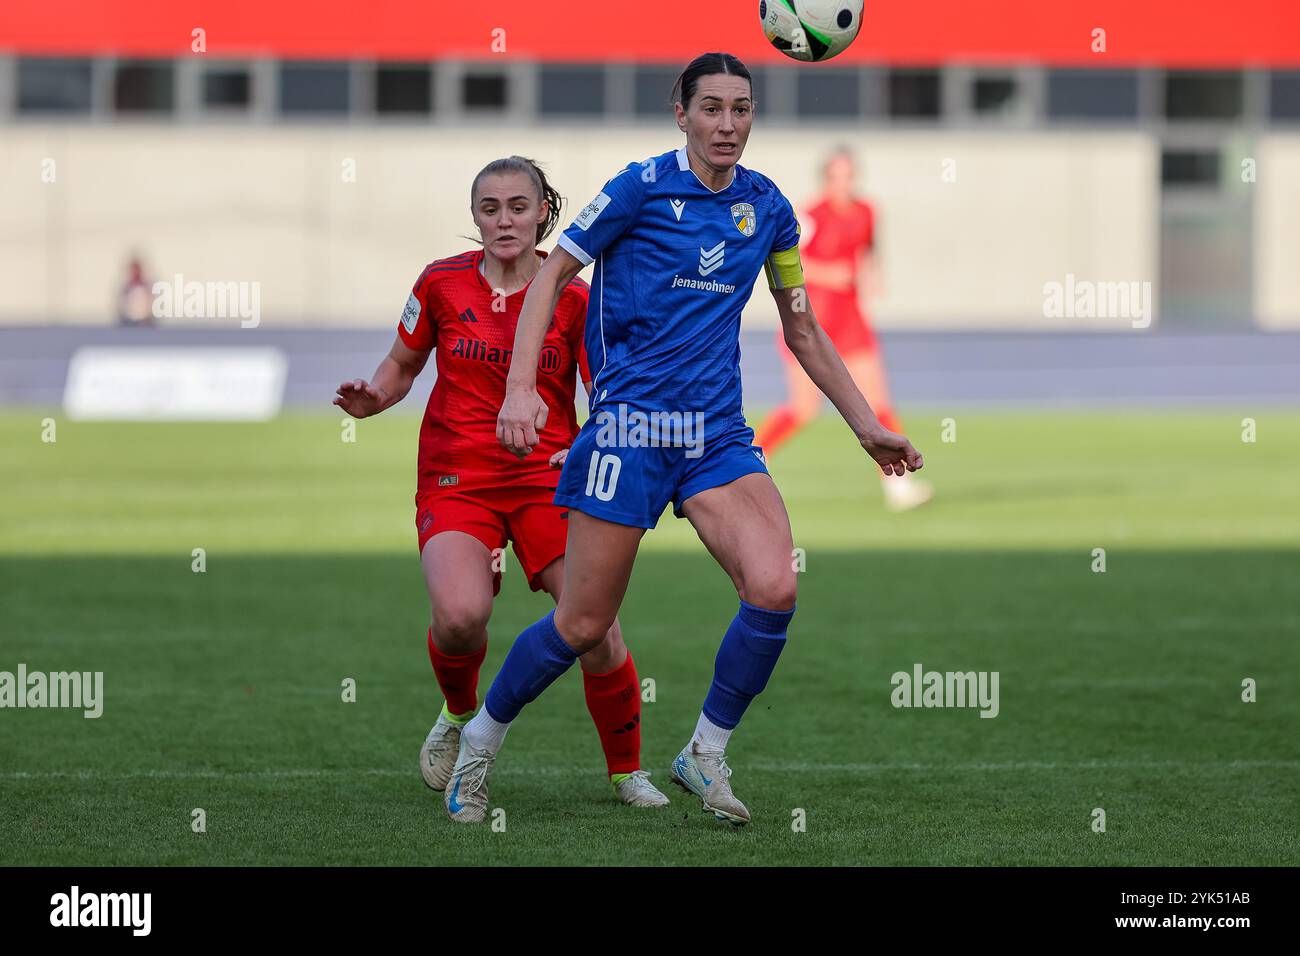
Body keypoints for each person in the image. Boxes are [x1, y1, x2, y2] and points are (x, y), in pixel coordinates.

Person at [443, 54, 923, 826]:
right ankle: (479, 741)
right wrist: (524, 386)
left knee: (775, 587)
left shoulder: (767, 208)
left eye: (741, 108)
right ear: (681, 113)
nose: (727, 124)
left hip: (715, 437)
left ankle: (704, 753)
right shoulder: (637, 187)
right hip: (630, 430)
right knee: (582, 624)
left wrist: (866, 425)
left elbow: (801, 324)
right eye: (711, 108)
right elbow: (550, 275)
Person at [334, 156, 668, 810]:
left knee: (596, 630)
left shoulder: (573, 293)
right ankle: (458, 717)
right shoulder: (440, 284)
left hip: (549, 481)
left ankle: (627, 772)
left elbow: (606, 391)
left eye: (519, 205)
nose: (504, 219)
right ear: (475, 216)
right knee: (461, 617)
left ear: (544, 211)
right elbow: (403, 363)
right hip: (458, 477)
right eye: (490, 208)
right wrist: (375, 395)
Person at [754, 147, 932, 511]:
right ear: (826, 179)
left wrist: (873, 275)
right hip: (811, 319)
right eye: (837, 176)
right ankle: (755, 455)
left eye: (849, 176)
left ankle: (897, 484)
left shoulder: (867, 211)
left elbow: (868, 249)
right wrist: (829, 273)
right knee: (804, 409)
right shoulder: (811, 215)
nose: (844, 183)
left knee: (878, 402)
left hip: (851, 320)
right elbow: (782, 261)